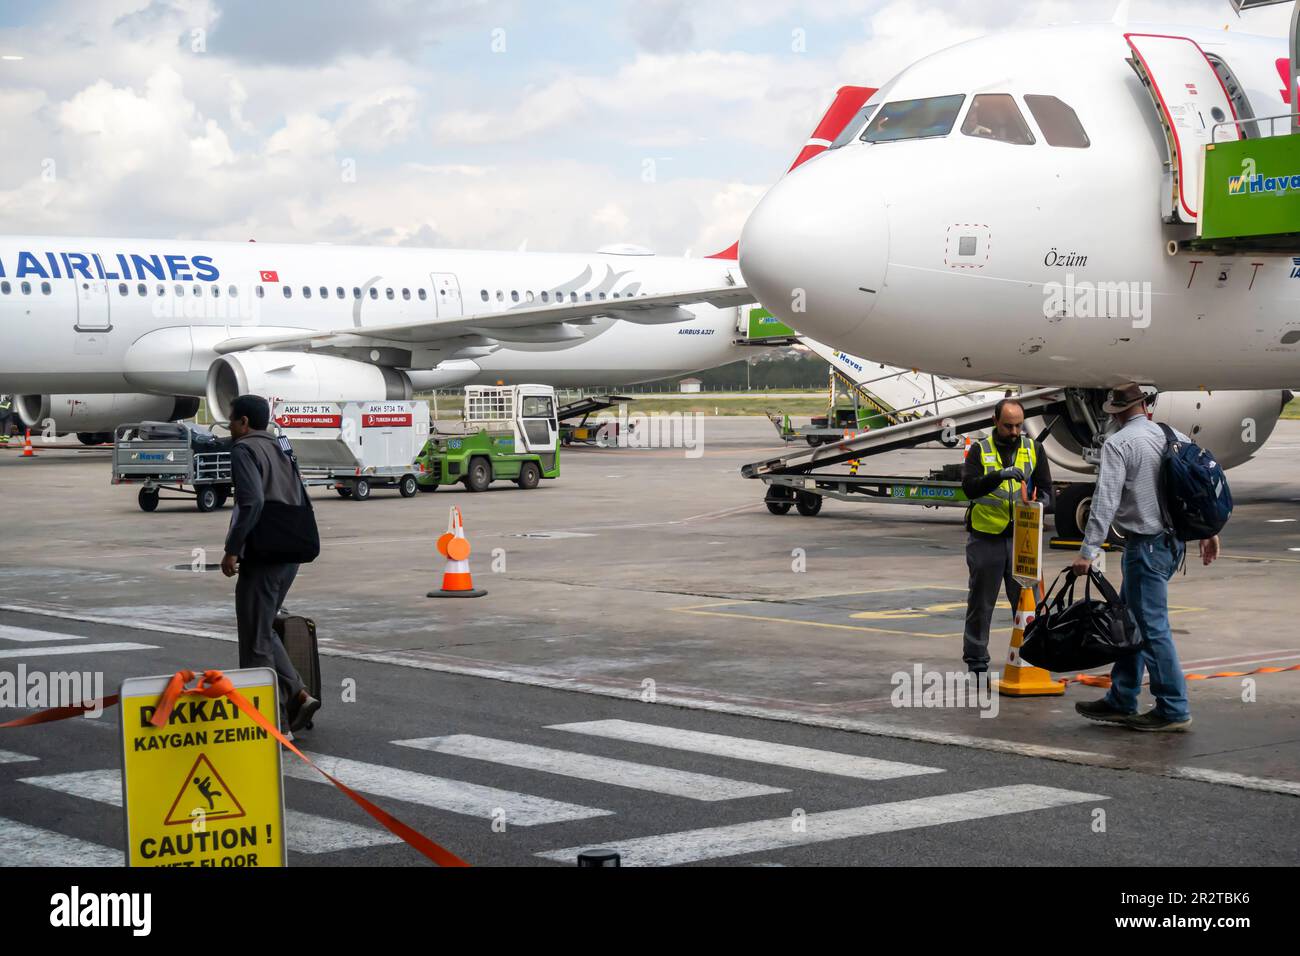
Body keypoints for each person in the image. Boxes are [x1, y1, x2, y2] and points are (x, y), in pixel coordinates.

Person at [1072, 383, 1220, 732]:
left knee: (1152, 629)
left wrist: (1087, 552)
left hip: (1146, 548)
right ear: (1143, 406)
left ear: (1115, 412)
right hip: (1172, 545)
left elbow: (1104, 502)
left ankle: (1173, 707)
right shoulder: (1172, 434)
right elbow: (1196, 486)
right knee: (1131, 623)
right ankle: (1122, 697)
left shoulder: (1119, 444)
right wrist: (1207, 530)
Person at [221, 394, 320, 735]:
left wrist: (232, 549)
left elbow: (251, 502)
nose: (230, 427)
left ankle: (273, 724)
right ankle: (299, 693)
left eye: (232, 420)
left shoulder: (244, 450)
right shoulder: (282, 446)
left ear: (244, 422)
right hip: (291, 552)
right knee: (263, 629)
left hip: (264, 555)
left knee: (255, 641)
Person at [960, 398, 1054, 674]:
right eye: (1008, 426)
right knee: (981, 604)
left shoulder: (1034, 449)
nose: (1014, 432)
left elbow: (1049, 492)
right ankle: (976, 662)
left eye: (1018, 426)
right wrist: (999, 476)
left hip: (1023, 540)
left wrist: (1040, 505)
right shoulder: (979, 450)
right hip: (986, 537)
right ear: (995, 422)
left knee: (1028, 604)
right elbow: (969, 488)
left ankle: (1034, 658)